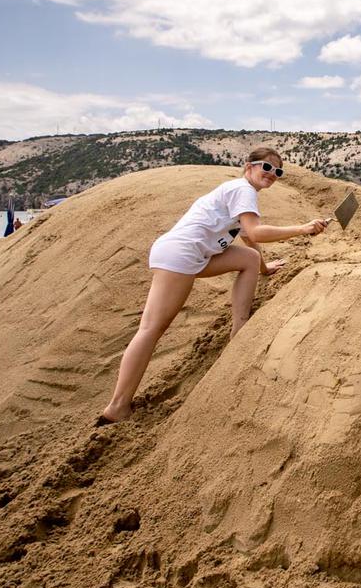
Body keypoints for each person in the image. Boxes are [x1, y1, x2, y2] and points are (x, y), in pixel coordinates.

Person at [98, 147, 329, 424]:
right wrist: (303, 228)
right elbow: (256, 231)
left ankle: (240, 328)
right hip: (181, 254)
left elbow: (248, 238)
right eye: (266, 167)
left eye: (277, 171)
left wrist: (264, 268)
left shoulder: (238, 192)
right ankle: (117, 406)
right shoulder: (243, 190)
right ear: (249, 167)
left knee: (249, 259)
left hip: (193, 254)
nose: (272, 174)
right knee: (151, 329)